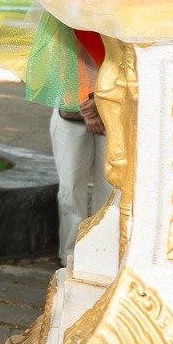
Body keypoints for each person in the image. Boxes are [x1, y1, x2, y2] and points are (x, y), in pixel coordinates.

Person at [52, 93, 109, 265]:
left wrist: (99, 104)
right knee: (71, 188)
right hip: (71, 108)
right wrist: (89, 108)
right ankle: (70, 256)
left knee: (111, 191)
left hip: (115, 108)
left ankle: (104, 253)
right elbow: (62, 66)